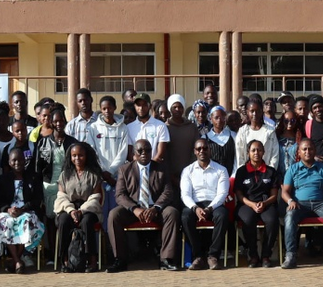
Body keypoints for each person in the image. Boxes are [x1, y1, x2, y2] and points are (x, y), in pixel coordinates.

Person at [107, 139, 183, 272]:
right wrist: (134, 209)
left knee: (172, 213)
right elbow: (120, 195)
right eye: (140, 151)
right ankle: (120, 260)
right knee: (114, 215)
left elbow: (168, 192)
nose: (144, 153)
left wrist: (156, 208)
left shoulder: (161, 168)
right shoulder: (125, 170)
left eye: (148, 150)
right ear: (134, 154)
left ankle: (166, 259)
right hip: (134, 210)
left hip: (156, 209)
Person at [280, 139, 323, 269]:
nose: (307, 151)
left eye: (310, 149)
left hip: (321, 204)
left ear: (315, 151)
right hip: (300, 205)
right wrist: (290, 201)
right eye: (304, 149)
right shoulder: (292, 169)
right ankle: (290, 256)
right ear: (299, 152)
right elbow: (285, 192)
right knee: (289, 216)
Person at [0, 147, 45, 274]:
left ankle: (15, 260)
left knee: (25, 221)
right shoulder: (3, 179)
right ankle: (17, 260)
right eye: (14, 160)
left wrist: (23, 209)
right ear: (9, 162)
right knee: (6, 222)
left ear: (25, 161)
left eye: (20, 160)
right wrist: (8, 209)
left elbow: (37, 199)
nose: (17, 163)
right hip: (9, 212)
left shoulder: (33, 177)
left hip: (27, 211)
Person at [179, 139, 232, 271]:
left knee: (222, 215)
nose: (202, 151)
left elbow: (222, 193)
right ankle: (198, 256)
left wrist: (209, 208)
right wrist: (195, 208)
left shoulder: (221, 170)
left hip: (214, 204)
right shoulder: (187, 170)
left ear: (210, 150)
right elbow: (185, 194)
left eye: (205, 148)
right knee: (185, 216)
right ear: (194, 151)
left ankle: (213, 256)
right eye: (199, 149)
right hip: (195, 204)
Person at [54, 142, 105, 273]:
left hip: (89, 209)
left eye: (80, 155)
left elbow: (96, 197)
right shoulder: (64, 175)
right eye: (74, 155)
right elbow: (61, 196)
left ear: (86, 156)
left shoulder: (94, 175)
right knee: (63, 221)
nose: (77, 158)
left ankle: (92, 260)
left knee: (87, 221)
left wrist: (81, 211)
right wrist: (71, 210)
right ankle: (65, 260)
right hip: (68, 208)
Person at [233, 140, 281, 268]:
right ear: (248, 153)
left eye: (259, 150)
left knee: (272, 220)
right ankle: (253, 255)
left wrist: (264, 203)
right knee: (248, 219)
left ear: (263, 152)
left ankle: (266, 255)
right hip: (246, 204)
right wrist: (252, 204)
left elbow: (274, 195)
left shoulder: (271, 171)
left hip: (267, 203)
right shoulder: (241, 171)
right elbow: (239, 195)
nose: (256, 153)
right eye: (253, 150)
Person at [88, 95, 130, 214]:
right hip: (100, 175)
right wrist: (103, 171)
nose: (107, 111)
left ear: (115, 108)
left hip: (117, 176)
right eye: (104, 108)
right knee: (101, 208)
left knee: (115, 208)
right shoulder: (93, 128)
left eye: (110, 108)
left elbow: (123, 152)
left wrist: (110, 171)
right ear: (101, 110)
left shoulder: (123, 128)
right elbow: (92, 150)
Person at [32, 105, 75, 220]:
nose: (59, 124)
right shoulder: (42, 143)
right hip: (48, 186)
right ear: (51, 122)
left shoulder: (72, 142)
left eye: (61, 120)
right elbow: (37, 169)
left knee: (64, 218)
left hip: (67, 186)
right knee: (50, 218)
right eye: (56, 121)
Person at [235, 98, 281, 170]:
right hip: (247, 173)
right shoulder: (242, 132)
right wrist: (243, 172)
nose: (255, 114)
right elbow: (239, 156)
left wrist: (270, 172)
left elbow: (275, 155)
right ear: (247, 112)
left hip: (266, 173)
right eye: (252, 111)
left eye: (258, 111)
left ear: (262, 112)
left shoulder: (270, 131)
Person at [165, 94, 200, 184]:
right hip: (169, 174)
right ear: (170, 108)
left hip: (190, 173)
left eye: (180, 107)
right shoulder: (165, 127)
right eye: (174, 107)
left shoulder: (191, 127)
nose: (177, 109)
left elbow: (196, 148)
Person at [126, 93, 169, 163]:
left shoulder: (160, 126)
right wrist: (140, 165)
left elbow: (160, 153)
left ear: (150, 106)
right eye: (138, 105)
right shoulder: (129, 127)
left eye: (144, 105)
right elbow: (130, 153)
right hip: (136, 167)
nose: (141, 108)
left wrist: (150, 165)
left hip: (155, 167)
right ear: (134, 106)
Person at [0, 102, 19, 175]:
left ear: (8, 119)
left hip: (9, 178)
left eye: (4, 119)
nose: (2, 122)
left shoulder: (15, 139)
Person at [204, 106, 237, 172]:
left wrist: (234, 174)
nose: (219, 120)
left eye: (222, 117)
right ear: (211, 119)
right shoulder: (205, 138)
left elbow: (236, 157)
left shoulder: (233, 135)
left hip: (230, 174)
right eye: (216, 118)